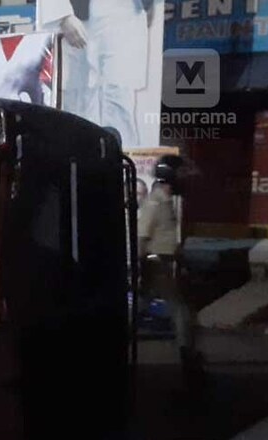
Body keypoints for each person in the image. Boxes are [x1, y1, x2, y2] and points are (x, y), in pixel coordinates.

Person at [41, 0, 154, 146]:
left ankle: (122, 159)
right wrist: (63, 15)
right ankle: (80, 158)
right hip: (80, 12)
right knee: (78, 96)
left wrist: (149, 5)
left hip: (127, 10)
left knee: (120, 94)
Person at [138, 155, 202, 375]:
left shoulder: (165, 201)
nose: (183, 179)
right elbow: (142, 237)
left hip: (162, 261)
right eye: (180, 174)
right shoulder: (155, 203)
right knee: (179, 309)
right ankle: (187, 354)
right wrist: (140, 265)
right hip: (156, 261)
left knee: (143, 306)